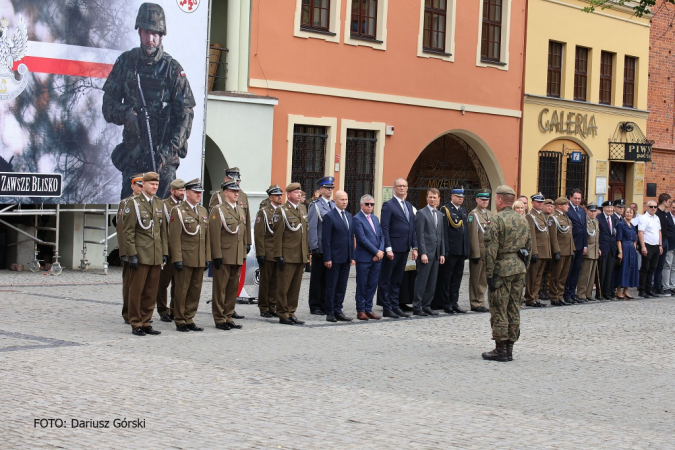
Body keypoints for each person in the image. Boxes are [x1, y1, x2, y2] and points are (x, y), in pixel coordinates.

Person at [102, 3, 195, 200]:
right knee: (130, 216)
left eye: (155, 34)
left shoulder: (172, 70)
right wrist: (127, 114)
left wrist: (166, 152)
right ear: (139, 32)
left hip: (163, 161)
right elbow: (108, 104)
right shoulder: (126, 63)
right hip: (134, 157)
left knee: (165, 221)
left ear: (161, 35)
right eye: (146, 32)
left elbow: (185, 117)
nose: (150, 39)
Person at [482, 185, 531, 362]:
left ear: (500, 200)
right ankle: (510, 347)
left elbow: (491, 249)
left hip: (501, 269)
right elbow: (529, 247)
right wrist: (524, 266)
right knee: (514, 307)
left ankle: (501, 348)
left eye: (496, 199)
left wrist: (489, 273)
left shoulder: (496, 220)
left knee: (499, 307)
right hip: (518, 267)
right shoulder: (523, 220)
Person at [123, 171, 168, 336]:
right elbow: (128, 232)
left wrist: (164, 252)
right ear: (144, 185)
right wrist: (131, 254)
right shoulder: (133, 204)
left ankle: (147, 321)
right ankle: (136, 322)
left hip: (155, 254)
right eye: (152, 184)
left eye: (157, 185)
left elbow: (163, 231)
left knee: (151, 291)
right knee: (137, 290)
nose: (155, 187)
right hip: (141, 254)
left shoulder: (158, 203)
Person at [169, 179, 210, 331]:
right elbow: (174, 237)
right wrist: (177, 258)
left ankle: (189, 317)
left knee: (195, 290)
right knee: (182, 290)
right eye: (196, 192)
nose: (199, 195)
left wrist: (207, 257)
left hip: (199, 257)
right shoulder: (178, 211)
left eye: (200, 193)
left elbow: (207, 237)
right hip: (185, 257)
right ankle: (180, 319)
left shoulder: (203, 211)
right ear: (187, 193)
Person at [209, 167, 250, 319]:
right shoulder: (218, 210)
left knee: (233, 287)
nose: (236, 194)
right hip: (224, 253)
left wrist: (245, 248)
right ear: (225, 192)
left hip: (237, 253)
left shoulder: (239, 210)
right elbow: (214, 234)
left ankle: (228, 315)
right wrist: (216, 255)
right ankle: (220, 317)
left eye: (237, 191)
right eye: (233, 191)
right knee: (220, 288)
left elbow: (243, 230)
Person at [378, 177, 418, 319]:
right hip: (393, 249)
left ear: (407, 188)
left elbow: (412, 229)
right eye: (399, 186)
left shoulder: (408, 206)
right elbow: (385, 228)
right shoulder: (388, 205)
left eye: (404, 186)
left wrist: (415, 247)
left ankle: (395, 305)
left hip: (405, 248)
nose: (402, 188)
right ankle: (387, 307)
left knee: (397, 279)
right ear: (394, 188)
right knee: (386, 279)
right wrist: (387, 247)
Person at [273, 183, 310, 325]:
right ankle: (282, 313)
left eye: (300, 192)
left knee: (295, 286)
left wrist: (306, 253)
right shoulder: (281, 211)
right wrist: (278, 254)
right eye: (296, 192)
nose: (299, 194)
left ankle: (291, 311)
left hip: (300, 254)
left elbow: (304, 234)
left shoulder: (302, 209)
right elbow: (277, 235)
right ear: (288, 195)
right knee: (284, 286)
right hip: (287, 255)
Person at [322, 190, 355, 322]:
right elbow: (326, 239)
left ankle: (338, 309)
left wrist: (352, 256)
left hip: (346, 257)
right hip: (334, 257)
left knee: (342, 285)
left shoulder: (349, 216)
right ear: (335, 200)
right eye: (342, 200)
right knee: (332, 285)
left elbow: (350, 237)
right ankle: (330, 311)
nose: (344, 202)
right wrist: (327, 257)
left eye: (346, 200)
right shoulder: (329, 216)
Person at [435, 187, 469, 314]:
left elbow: (465, 232)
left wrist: (467, 249)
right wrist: (445, 250)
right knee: (446, 278)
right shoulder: (446, 210)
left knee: (457, 279)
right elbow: (444, 232)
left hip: (461, 251)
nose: (461, 199)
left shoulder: (463, 211)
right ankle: (446, 303)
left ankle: (454, 302)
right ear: (452, 197)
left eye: (462, 197)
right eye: (458, 196)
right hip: (451, 250)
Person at [412, 188, 445, 317]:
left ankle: (427, 305)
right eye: (430, 197)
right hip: (426, 253)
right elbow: (419, 235)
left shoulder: (439, 215)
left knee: (432, 282)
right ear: (426, 198)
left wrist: (442, 253)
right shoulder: (421, 213)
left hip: (436, 253)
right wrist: (422, 252)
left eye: (434, 197)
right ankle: (417, 306)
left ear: (439, 199)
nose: (432, 199)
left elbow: (441, 235)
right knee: (422, 281)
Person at [156, 178, 185, 322]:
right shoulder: (164, 206)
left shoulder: (185, 206)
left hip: (182, 250)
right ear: (172, 191)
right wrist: (163, 251)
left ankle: (174, 309)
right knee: (163, 283)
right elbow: (161, 230)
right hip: (168, 250)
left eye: (184, 190)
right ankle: (162, 310)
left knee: (178, 283)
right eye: (180, 190)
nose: (182, 193)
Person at [116, 173, 144, 324]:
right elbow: (121, 229)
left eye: (142, 185)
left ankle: (140, 312)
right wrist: (125, 252)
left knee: (143, 285)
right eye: (139, 185)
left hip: (145, 252)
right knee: (129, 284)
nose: (141, 188)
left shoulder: (149, 203)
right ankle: (128, 312)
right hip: (130, 251)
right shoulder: (126, 203)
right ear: (133, 186)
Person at [307, 177, 336, 315]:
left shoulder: (334, 205)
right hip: (320, 246)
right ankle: (315, 305)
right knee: (317, 278)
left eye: (331, 188)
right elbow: (312, 227)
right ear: (321, 190)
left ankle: (325, 303)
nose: (329, 190)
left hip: (332, 247)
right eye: (327, 188)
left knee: (327, 278)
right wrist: (314, 247)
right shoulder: (315, 205)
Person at [254, 185, 284, 318]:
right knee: (265, 282)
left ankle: (273, 306)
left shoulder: (282, 211)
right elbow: (259, 234)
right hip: (268, 251)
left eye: (280, 195)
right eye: (277, 195)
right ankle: (264, 307)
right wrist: (260, 253)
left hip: (279, 252)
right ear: (271, 197)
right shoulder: (264, 212)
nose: (280, 197)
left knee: (276, 282)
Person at [352, 195, 384, 320]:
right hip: (364, 257)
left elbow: (381, 236)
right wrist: (376, 252)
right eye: (367, 204)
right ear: (361, 205)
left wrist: (380, 251)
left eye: (372, 204)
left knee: (372, 284)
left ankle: (368, 308)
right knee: (362, 284)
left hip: (377, 257)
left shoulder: (375, 219)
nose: (370, 206)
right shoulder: (357, 219)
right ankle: (361, 310)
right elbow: (362, 239)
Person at [523, 193, 550, 307]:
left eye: (542, 202)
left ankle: (535, 296)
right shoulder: (530, 216)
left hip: (544, 251)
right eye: (538, 202)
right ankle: (529, 298)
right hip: (537, 251)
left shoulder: (543, 215)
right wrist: (533, 251)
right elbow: (532, 235)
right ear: (533, 203)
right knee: (532, 276)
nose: (540, 204)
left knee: (539, 276)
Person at [468, 189, 492, 313]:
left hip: (488, 252)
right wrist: (475, 253)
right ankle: (475, 302)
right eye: (482, 200)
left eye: (486, 200)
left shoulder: (489, 214)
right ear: (477, 200)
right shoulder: (473, 215)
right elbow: (473, 235)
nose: (485, 202)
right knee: (476, 278)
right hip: (479, 252)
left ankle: (481, 301)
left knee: (483, 279)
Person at [548, 197, 575, 306]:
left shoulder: (565, 218)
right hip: (560, 250)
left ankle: (560, 295)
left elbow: (570, 235)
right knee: (556, 275)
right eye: (566, 205)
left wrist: (572, 249)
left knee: (563, 275)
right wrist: (556, 251)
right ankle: (554, 297)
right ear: (560, 206)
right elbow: (553, 237)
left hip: (567, 250)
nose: (568, 206)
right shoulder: (553, 218)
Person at [634, 200, 663, 298]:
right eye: (651, 207)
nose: (653, 208)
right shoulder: (643, 218)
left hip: (655, 245)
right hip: (647, 245)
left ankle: (649, 289)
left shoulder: (657, 218)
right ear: (647, 207)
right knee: (645, 268)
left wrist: (660, 245)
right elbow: (640, 232)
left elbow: (659, 232)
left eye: (655, 207)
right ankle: (642, 290)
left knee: (652, 268)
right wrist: (643, 246)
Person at [564, 189, 587, 303]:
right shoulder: (567, 210)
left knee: (576, 271)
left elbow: (584, 228)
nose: (577, 200)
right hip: (572, 245)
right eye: (575, 198)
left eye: (579, 198)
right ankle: (567, 293)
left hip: (581, 245)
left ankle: (573, 293)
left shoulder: (582, 211)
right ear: (570, 198)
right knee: (569, 270)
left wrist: (585, 245)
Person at [614, 206, 639, 299]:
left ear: (633, 215)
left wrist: (634, 249)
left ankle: (626, 290)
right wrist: (620, 252)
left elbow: (635, 239)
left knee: (630, 269)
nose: (628, 214)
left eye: (630, 213)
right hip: (624, 247)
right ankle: (618, 290)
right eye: (627, 212)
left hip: (631, 248)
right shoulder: (621, 224)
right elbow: (619, 239)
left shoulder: (632, 226)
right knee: (622, 269)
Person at [577, 204, 600, 301]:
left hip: (595, 250)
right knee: (585, 274)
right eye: (591, 211)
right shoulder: (585, 221)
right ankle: (581, 294)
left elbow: (597, 237)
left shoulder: (596, 221)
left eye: (595, 211)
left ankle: (589, 294)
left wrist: (598, 248)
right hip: (588, 250)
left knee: (592, 275)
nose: (593, 213)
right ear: (587, 211)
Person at [597, 201, 618, 300]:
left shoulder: (614, 219)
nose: (610, 209)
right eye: (608, 208)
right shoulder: (599, 218)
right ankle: (599, 293)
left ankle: (607, 292)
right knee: (602, 271)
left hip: (611, 248)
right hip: (603, 247)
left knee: (610, 271)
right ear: (603, 208)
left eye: (611, 207)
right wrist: (598, 247)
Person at [653, 194, 671, 294]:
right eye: (669, 201)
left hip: (665, 240)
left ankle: (658, 286)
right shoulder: (657, 214)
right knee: (656, 265)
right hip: (659, 241)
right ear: (664, 202)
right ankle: (654, 286)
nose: (669, 203)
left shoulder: (665, 213)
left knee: (661, 266)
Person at [661, 201, 675, 295]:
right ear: (670, 207)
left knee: (674, 267)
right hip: (670, 244)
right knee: (667, 265)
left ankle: (673, 285)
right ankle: (666, 286)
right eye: (673, 207)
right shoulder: (666, 216)